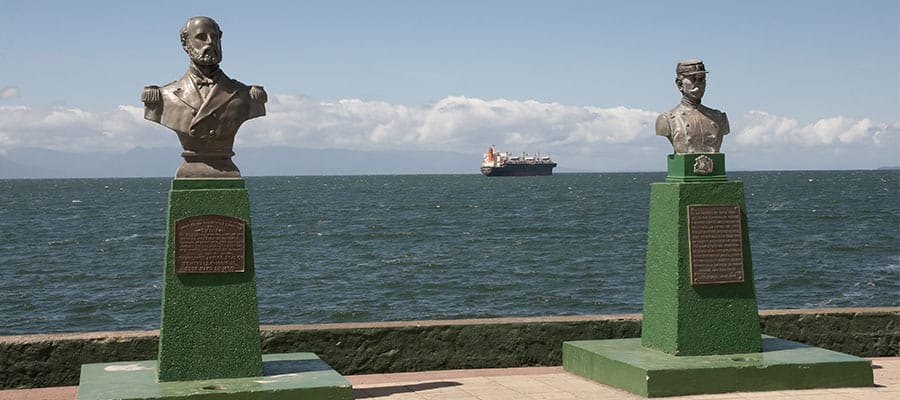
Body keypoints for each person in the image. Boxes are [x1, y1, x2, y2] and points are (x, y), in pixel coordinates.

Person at [142, 16, 266, 178]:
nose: (209, 43)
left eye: (214, 37)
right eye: (201, 37)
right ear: (185, 44)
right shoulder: (163, 97)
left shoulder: (246, 96)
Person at [656, 59, 729, 154]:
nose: (698, 84)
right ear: (679, 84)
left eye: (701, 79)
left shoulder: (719, 118)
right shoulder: (667, 119)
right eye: (693, 79)